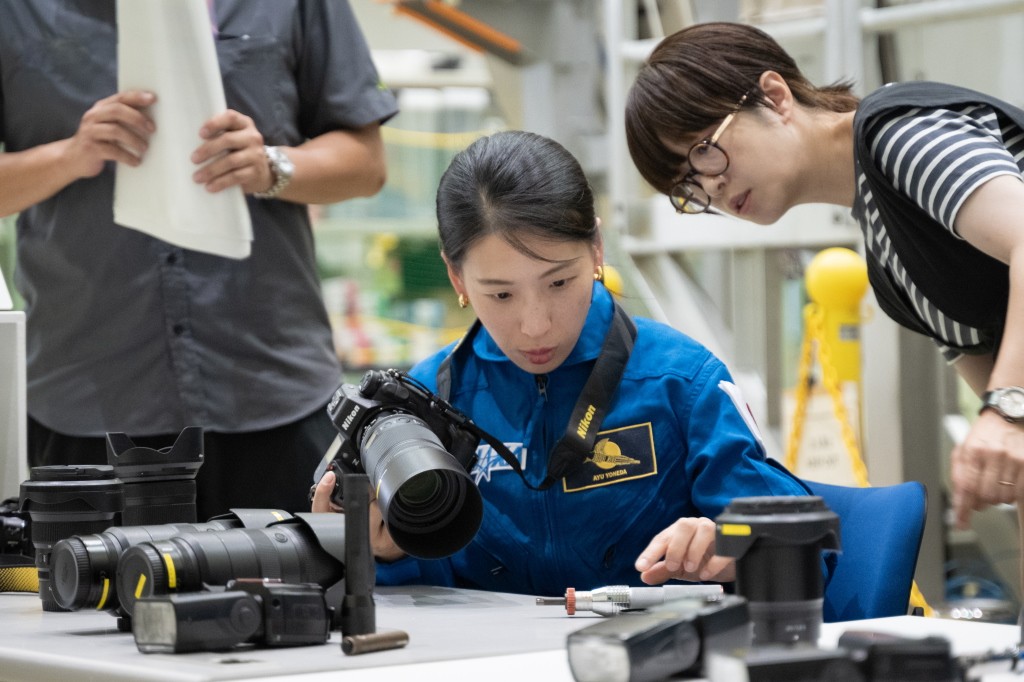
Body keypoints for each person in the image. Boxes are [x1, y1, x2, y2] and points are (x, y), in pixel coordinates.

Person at [313, 129, 811, 597]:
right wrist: (379, 555)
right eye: (501, 294)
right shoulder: (424, 405)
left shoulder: (681, 381)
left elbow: (803, 548)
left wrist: (732, 545)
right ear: (457, 277)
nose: (535, 326)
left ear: (596, 248)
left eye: (558, 283)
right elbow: (413, 605)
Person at [0, 0, 398, 518]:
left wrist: (272, 166)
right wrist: (70, 155)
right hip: (88, 397)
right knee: (88, 598)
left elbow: (366, 163)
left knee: (298, 595)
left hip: (270, 385)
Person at [623, 21, 1024, 531]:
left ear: (774, 96)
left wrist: (1008, 409)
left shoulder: (898, 134)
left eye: (704, 148)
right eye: (687, 183)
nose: (712, 185)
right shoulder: (890, 262)